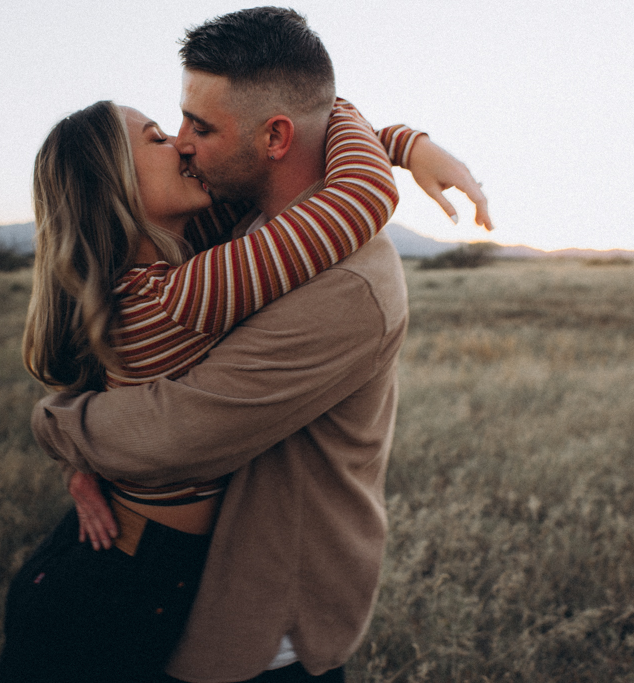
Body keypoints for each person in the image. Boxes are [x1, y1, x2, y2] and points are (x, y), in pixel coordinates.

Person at [28, 7, 492, 683]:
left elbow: (177, 432)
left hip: (258, 632)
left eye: (198, 126)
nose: (184, 142)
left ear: (274, 137)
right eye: (169, 130)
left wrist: (59, 424)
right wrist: (399, 138)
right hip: (147, 584)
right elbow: (339, 157)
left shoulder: (348, 283)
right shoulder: (217, 233)